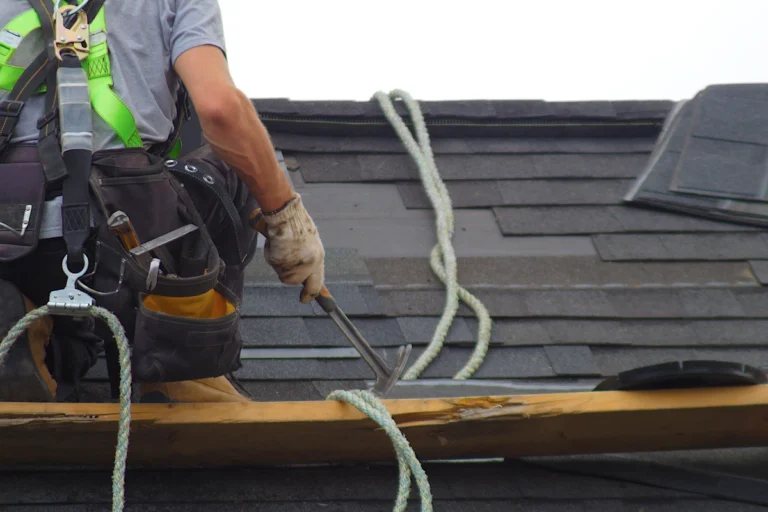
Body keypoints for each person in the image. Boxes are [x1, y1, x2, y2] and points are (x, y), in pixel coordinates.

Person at [0, 0, 325, 403]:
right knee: (232, 167)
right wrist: (285, 214)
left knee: (70, 335)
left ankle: (25, 330)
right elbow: (220, 109)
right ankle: (180, 362)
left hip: (11, 241)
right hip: (124, 241)